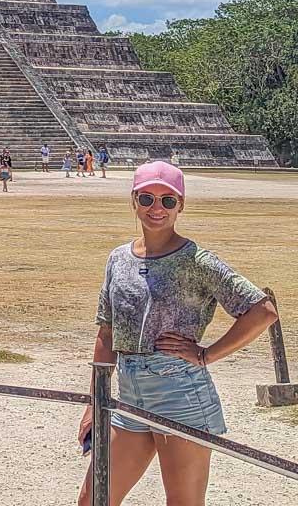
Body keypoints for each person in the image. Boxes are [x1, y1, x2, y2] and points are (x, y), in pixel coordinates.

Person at [76, 162, 278, 506]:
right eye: (147, 198)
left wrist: (206, 355)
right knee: (94, 499)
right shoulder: (118, 259)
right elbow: (107, 333)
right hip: (127, 394)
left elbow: (263, 311)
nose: (157, 208)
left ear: (180, 205)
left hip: (181, 394)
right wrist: (95, 402)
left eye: (168, 200)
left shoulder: (197, 260)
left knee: (183, 502)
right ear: (134, 201)